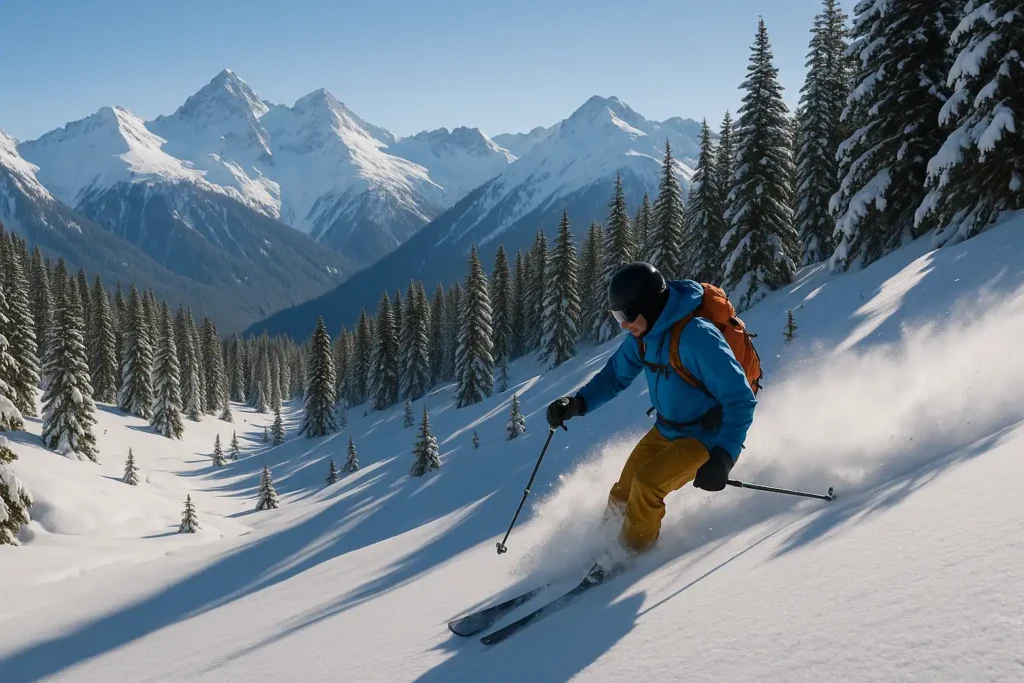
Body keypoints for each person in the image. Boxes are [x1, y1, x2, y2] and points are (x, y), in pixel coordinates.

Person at [546, 262, 756, 563]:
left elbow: (740, 398)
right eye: (617, 316)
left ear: (650, 305)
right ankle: (602, 551)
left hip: (704, 436)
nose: (622, 324)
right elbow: (616, 375)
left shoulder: (696, 337)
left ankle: (630, 558)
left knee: (646, 486)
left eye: (627, 315)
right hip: (667, 429)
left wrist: (724, 457)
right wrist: (579, 403)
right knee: (622, 492)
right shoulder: (643, 339)